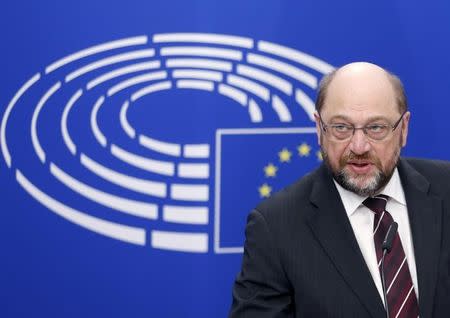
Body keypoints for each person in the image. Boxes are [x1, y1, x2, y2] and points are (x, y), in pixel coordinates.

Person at [229, 62, 450, 317]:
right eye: (341, 128)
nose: (358, 146)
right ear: (319, 129)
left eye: (376, 127)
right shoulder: (276, 227)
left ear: (403, 129)